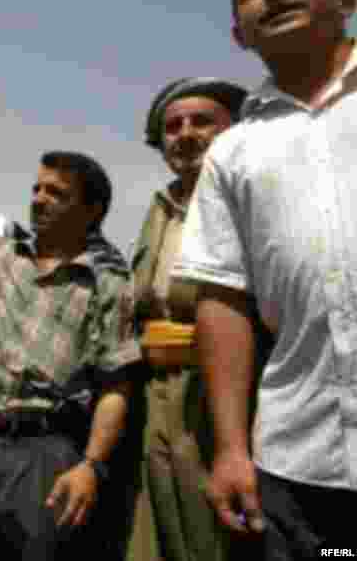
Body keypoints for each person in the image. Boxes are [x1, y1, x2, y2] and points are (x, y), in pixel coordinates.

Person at [174, 0, 357, 557]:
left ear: (347, 1)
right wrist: (230, 448)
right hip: (302, 469)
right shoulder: (232, 152)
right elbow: (222, 299)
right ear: (239, 35)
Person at [0, 129, 140, 560]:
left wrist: (90, 466)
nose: (38, 198)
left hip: (44, 452)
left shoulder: (107, 283)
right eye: (36, 188)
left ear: (91, 210)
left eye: (56, 193)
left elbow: (115, 387)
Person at [124, 77, 248, 561]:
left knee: (219, 531)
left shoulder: (248, 198)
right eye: (173, 126)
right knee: (160, 529)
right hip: (159, 391)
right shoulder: (159, 210)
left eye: (202, 122)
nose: (185, 134)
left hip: (223, 393)